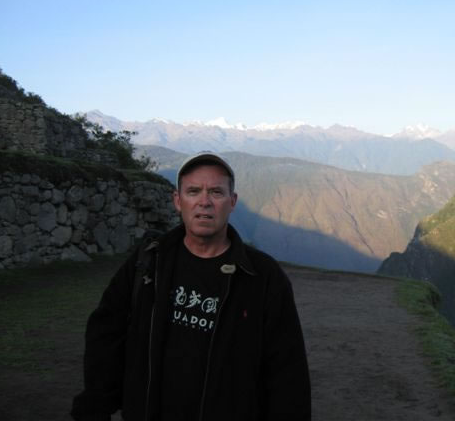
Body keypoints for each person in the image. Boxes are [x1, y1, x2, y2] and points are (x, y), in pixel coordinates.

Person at [71, 152, 311, 421]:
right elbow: (106, 334)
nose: (204, 202)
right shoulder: (149, 263)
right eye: (193, 191)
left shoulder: (262, 276)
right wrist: (95, 405)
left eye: (216, 192)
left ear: (232, 202)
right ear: (178, 201)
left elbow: (287, 368)